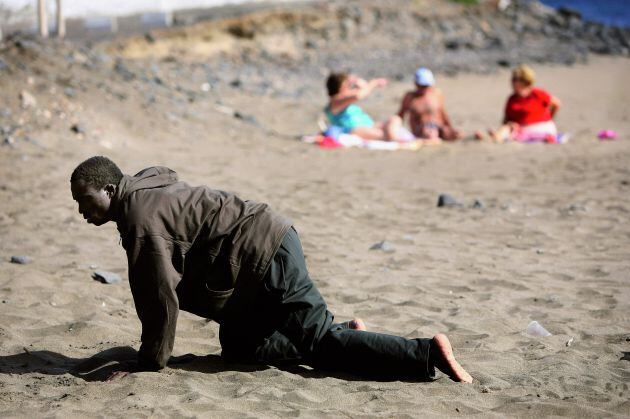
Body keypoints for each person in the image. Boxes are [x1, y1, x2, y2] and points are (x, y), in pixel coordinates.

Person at [70, 156, 473, 383]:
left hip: (265, 251)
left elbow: (159, 300)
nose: (82, 212)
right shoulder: (141, 187)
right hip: (248, 268)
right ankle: (347, 335)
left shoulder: (141, 222)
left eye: (86, 201)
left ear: (110, 189)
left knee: (318, 345)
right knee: (241, 347)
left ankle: (426, 352)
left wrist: (149, 363)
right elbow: (166, 173)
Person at [325, 73, 413, 142]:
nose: (349, 88)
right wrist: (374, 83)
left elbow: (362, 88)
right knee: (382, 134)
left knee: (395, 119)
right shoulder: (335, 101)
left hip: (369, 125)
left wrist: (356, 80)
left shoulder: (344, 100)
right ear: (340, 88)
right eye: (347, 86)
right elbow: (359, 95)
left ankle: (394, 138)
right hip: (354, 129)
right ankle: (395, 140)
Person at [487, 65, 562, 143]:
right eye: (513, 79)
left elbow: (556, 104)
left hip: (541, 127)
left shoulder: (537, 93)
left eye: (515, 79)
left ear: (525, 81)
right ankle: (497, 135)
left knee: (507, 129)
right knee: (508, 128)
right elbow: (506, 119)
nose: (512, 82)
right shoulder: (512, 98)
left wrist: (550, 118)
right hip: (524, 129)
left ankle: (494, 138)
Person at [397, 67, 463, 142]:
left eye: (426, 86)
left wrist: (450, 128)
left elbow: (442, 113)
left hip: (438, 126)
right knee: (429, 133)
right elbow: (400, 115)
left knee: (457, 134)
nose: (424, 89)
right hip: (421, 129)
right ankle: (432, 138)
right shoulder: (410, 97)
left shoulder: (436, 93)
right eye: (421, 86)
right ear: (416, 84)